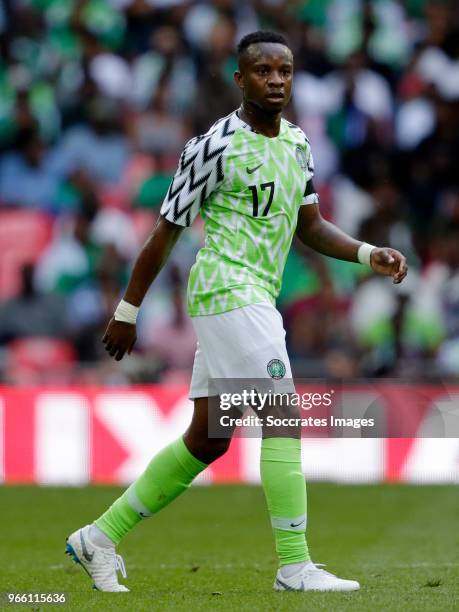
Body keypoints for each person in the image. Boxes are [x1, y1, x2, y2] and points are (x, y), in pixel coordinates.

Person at [65, 30, 407, 593]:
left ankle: (97, 538)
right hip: (227, 288)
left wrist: (369, 253)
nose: (276, 80)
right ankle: (295, 567)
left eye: (285, 71)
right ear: (239, 79)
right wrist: (128, 309)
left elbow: (312, 226)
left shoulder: (298, 143)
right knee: (282, 416)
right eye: (263, 71)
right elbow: (165, 232)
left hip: (253, 295)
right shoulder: (212, 146)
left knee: (208, 438)